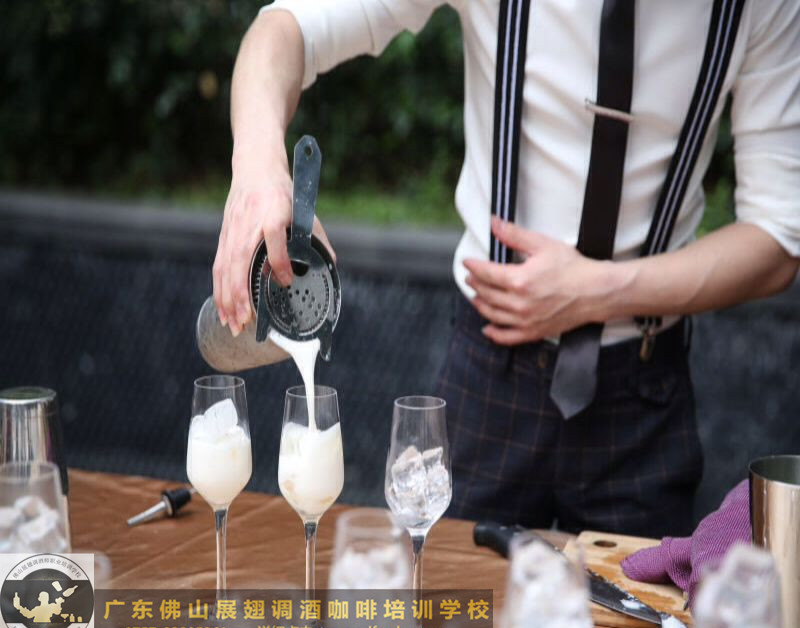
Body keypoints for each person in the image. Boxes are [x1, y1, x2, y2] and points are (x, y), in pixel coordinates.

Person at [213, 1, 800, 537]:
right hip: (488, 376)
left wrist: (600, 291)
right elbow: (286, 28)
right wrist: (259, 167)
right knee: (449, 600)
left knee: (636, 607)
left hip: (644, 398)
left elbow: (779, 239)